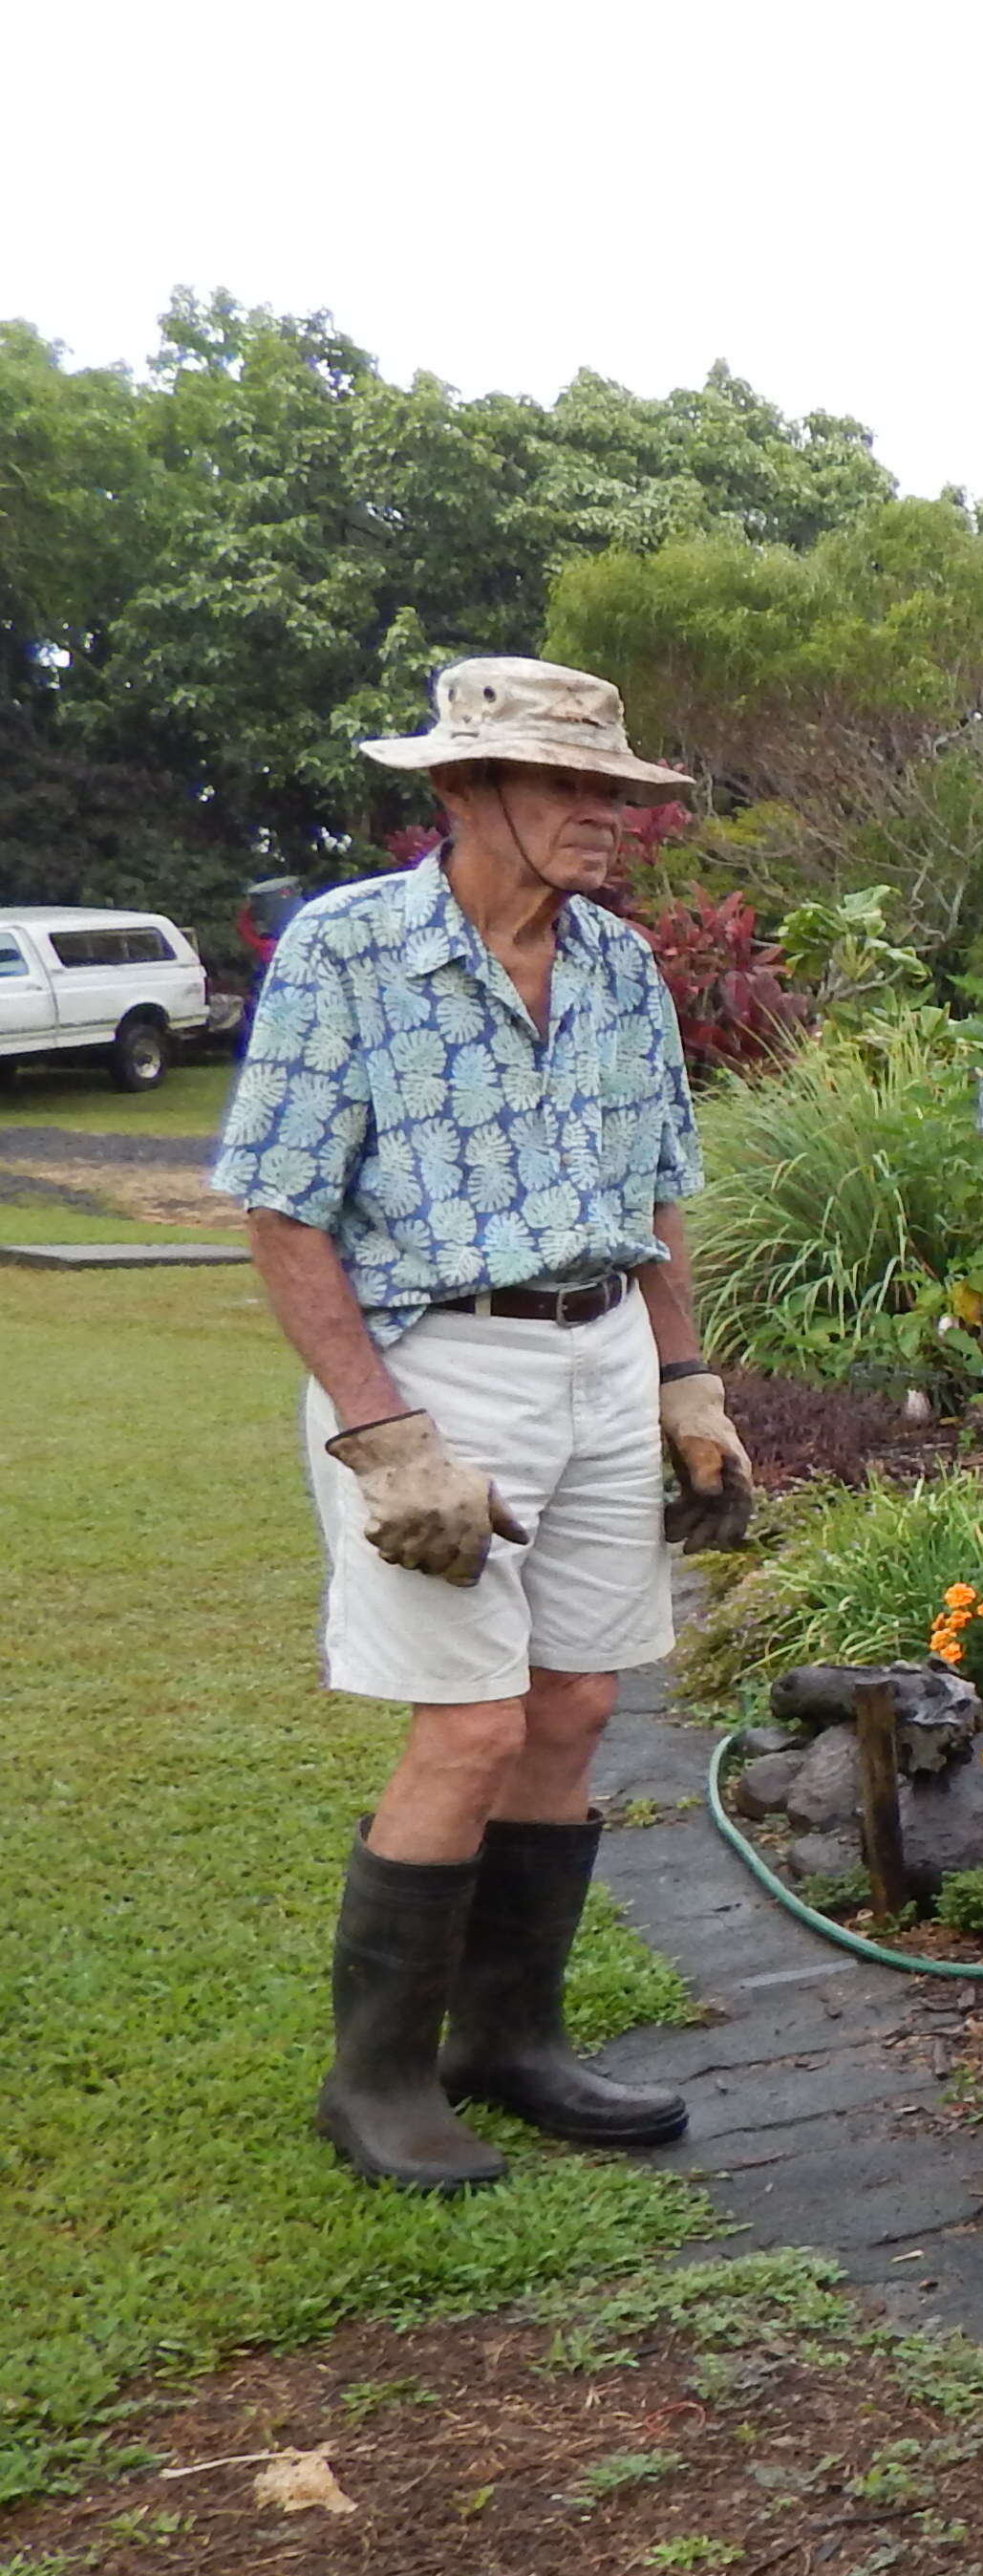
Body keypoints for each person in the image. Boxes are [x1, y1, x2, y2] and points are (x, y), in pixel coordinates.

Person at [211, 657, 756, 2195]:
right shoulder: (350, 952)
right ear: (463, 792)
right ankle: (374, 2080)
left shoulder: (619, 968)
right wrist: (384, 1434)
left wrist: (682, 1379)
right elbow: (281, 1209)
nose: (602, 819)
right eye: (569, 787)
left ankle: (505, 2043)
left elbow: (656, 1193)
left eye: (614, 792)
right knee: (468, 1725)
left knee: (577, 1711)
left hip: (597, 1353)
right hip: (435, 1370)